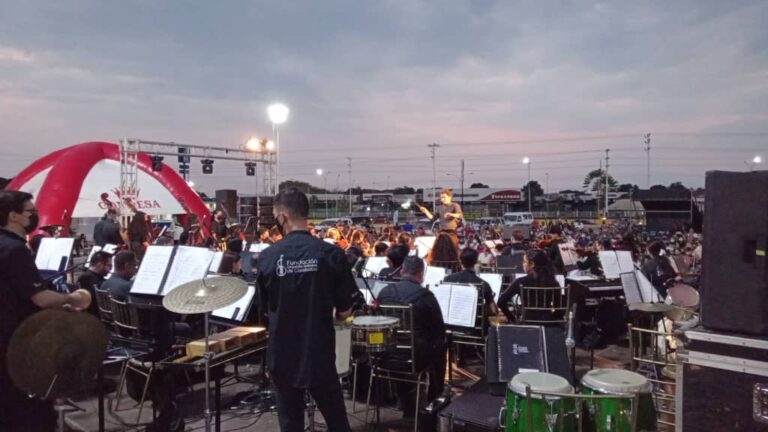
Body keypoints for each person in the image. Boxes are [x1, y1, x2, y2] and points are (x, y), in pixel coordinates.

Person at [256, 188, 354, 432]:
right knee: (338, 422)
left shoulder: (268, 257)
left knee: (290, 424)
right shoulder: (331, 254)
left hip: (283, 355)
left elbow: (264, 311)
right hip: (319, 350)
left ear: (281, 218)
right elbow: (345, 311)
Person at [0, 190, 92, 432]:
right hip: (15, 342)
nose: (35, 216)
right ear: (14, 216)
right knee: (30, 414)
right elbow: (40, 298)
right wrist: (74, 298)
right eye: (31, 212)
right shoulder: (15, 250)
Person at [378, 256, 447, 415]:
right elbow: (439, 331)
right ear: (421, 274)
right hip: (416, 357)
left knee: (400, 347)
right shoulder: (426, 296)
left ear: (402, 271)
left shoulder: (384, 292)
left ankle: (404, 399)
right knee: (441, 346)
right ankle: (434, 399)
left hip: (387, 354)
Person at [497, 249, 561, 323]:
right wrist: (552, 318)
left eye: (524, 261)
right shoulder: (553, 282)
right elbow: (559, 308)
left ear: (532, 264)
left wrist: (513, 319)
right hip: (548, 323)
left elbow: (501, 302)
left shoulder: (520, 282)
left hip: (527, 322)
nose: (522, 264)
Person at [444, 248, 498, 316]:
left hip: (451, 322)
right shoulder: (483, 284)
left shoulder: (448, 279)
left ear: (460, 261)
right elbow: (494, 311)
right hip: (476, 324)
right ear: (476, 261)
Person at [76, 250, 113, 317]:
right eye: (109, 266)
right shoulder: (91, 280)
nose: (110, 269)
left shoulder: (86, 275)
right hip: (96, 317)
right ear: (99, 265)